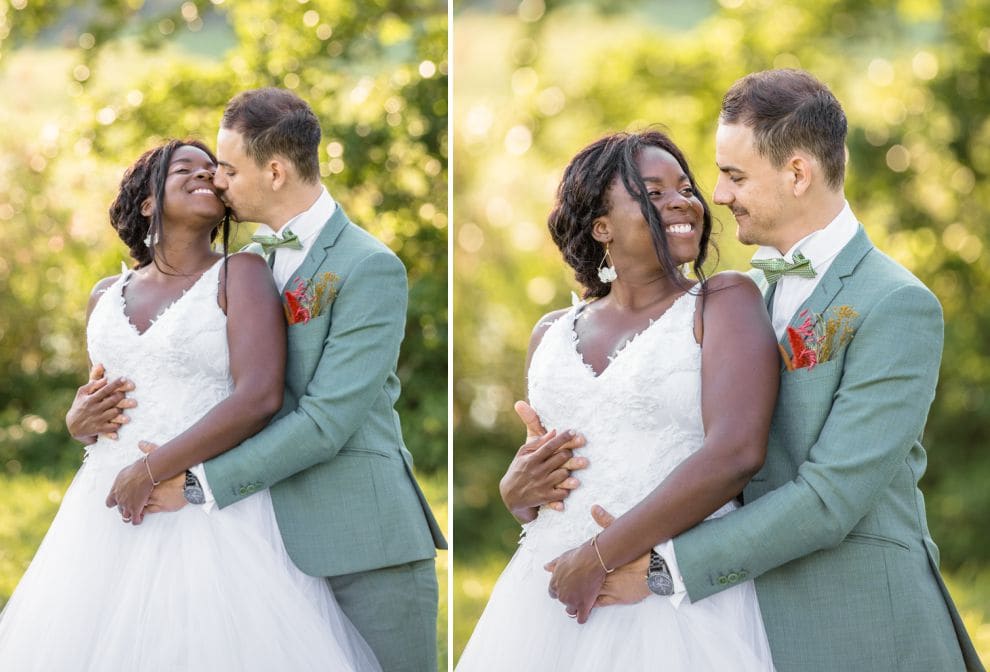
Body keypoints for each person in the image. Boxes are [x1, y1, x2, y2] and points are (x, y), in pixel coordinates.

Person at [518, 70, 985, 672]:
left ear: (797, 174)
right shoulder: (728, 298)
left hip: (857, 622)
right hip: (734, 621)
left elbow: (830, 498)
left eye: (735, 176)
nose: (717, 194)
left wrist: (660, 568)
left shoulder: (894, 303)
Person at [87, 88, 446, 672]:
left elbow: (326, 421)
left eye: (228, 169)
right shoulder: (246, 262)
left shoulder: (367, 266)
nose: (217, 180)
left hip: (360, 540)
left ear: (275, 172)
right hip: (257, 541)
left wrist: (196, 484)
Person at [0, 140, 380, 671]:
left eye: (213, 170)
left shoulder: (240, 274)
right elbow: (101, 400)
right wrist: (75, 422)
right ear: (147, 202)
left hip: (204, 508)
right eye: (185, 168)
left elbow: (259, 397)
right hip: (103, 509)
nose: (206, 175)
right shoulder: (105, 294)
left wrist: (151, 469)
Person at [456, 129, 780, 671]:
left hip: (667, 600)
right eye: (653, 193)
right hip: (546, 596)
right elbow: (550, 473)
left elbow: (735, 454)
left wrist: (599, 557)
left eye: (686, 188)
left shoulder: (722, 303)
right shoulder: (551, 333)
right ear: (600, 226)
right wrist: (515, 493)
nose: (681, 201)